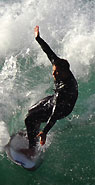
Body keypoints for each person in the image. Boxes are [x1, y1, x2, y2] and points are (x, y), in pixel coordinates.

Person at [21, 26, 78, 157]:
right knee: (31, 111)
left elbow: (55, 113)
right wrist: (38, 38)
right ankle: (34, 132)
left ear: (65, 72)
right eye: (54, 71)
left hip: (63, 108)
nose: (54, 74)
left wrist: (45, 131)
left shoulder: (65, 88)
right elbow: (48, 51)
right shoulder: (58, 64)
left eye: (57, 72)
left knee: (29, 119)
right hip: (55, 99)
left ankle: (32, 149)